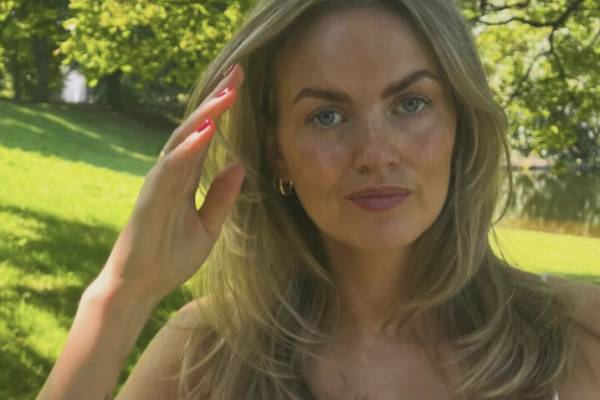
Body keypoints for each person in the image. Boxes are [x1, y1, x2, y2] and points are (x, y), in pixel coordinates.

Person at [36, 1, 600, 399]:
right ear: (277, 151)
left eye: (410, 103)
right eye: (326, 115)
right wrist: (121, 297)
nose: (374, 153)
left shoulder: (578, 335)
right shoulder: (205, 356)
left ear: (460, 125)